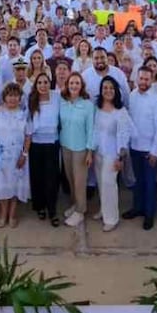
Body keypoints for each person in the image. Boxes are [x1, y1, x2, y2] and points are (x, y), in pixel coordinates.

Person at [124, 67, 157, 230]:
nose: (143, 82)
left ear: (152, 80)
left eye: (146, 79)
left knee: (149, 184)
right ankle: (137, 208)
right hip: (134, 147)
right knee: (137, 181)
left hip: (149, 150)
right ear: (137, 79)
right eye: (141, 79)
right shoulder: (132, 96)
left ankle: (149, 214)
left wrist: (155, 151)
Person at [92, 76, 132, 232]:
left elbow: (124, 135)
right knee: (101, 183)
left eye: (111, 88)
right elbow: (94, 130)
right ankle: (104, 210)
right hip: (98, 152)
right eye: (105, 88)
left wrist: (121, 157)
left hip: (112, 154)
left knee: (109, 184)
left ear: (116, 91)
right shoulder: (97, 108)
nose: (108, 91)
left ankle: (111, 218)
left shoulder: (120, 112)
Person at [0, 83, 32, 228]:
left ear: (20, 98)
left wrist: (24, 154)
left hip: (18, 156)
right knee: (2, 185)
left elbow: (28, 136)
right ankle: (3, 213)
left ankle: (13, 214)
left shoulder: (24, 113)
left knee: (15, 185)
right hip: (0, 156)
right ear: (4, 97)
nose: (12, 98)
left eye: (15, 95)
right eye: (9, 95)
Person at [59, 71, 95, 227]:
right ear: (67, 85)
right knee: (70, 179)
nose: (74, 86)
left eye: (77, 83)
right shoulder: (63, 102)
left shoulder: (87, 105)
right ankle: (75, 204)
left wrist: (89, 151)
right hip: (65, 146)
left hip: (81, 149)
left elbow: (91, 129)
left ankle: (81, 210)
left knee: (80, 181)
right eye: (71, 83)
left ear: (81, 86)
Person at [27, 72, 61, 226]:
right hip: (36, 143)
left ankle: (52, 209)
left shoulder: (56, 97)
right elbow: (26, 119)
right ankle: (40, 206)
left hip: (52, 143)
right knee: (37, 177)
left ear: (50, 83)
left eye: (45, 82)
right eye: (40, 83)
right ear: (36, 85)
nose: (43, 85)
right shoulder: (31, 99)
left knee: (52, 178)